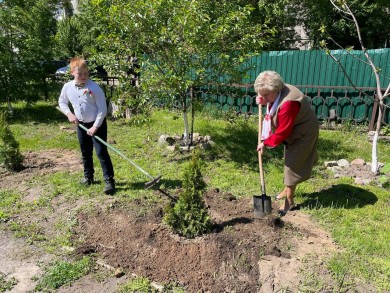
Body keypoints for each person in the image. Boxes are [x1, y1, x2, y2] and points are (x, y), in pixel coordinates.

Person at [254, 71, 319, 216]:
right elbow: (273, 106)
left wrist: (265, 143)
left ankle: (289, 201)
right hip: (294, 128)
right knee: (290, 160)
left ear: (277, 89)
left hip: (304, 132)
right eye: (261, 94)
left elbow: (282, 132)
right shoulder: (277, 92)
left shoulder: (289, 103)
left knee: (292, 165)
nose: (263, 97)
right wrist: (265, 101)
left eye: (266, 95)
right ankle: (287, 189)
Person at [58, 57, 115, 195]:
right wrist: (69, 114)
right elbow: (62, 101)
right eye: (79, 74)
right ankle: (88, 177)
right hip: (81, 125)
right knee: (85, 152)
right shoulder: (67, 87)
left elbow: (102, 109)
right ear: (72, 73)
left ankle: (109, 181)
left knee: (101, 152)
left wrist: (95, 127)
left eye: (86, 73)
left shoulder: (95, 88)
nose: (83, 77)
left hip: (97, 124)